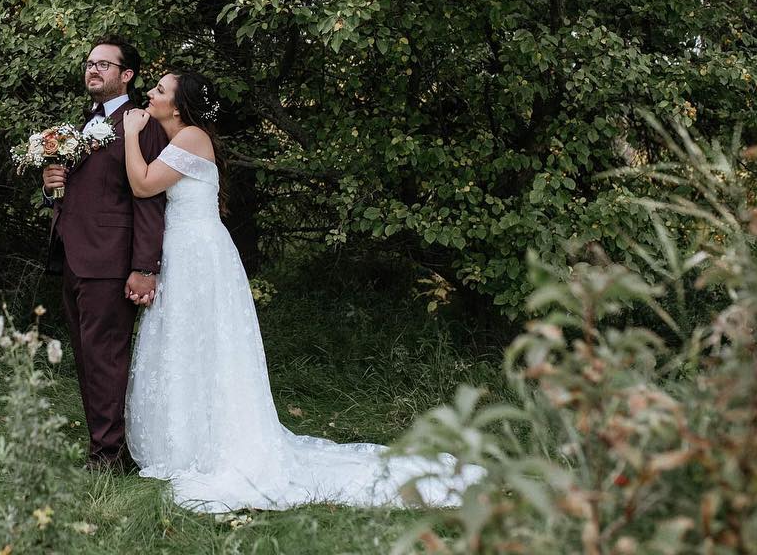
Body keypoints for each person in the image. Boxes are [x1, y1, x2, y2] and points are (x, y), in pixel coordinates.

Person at [120, 70, 485, 512]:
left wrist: (129, 133)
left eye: (159, 90)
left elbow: (142, 184)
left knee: (206, 343)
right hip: (185, 250)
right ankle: (185, 438)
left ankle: (208, 443)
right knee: (186, 342)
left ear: (177, 106)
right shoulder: (180, 138)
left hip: (198, 254)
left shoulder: (192, 137)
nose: (151, 95)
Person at [43, 36, 168, 471]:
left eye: (103, 64)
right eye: (89, 64)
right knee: (88, 358)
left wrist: (143, 267)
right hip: (75, 257)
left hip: (111, 261)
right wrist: (51, 184)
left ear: (126, 75)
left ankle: (108, 457)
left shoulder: (142, 125)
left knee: (105, 360)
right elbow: (86, 188)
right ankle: (108, 447)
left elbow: (148, 198)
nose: (92, 70)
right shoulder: (86, 122)